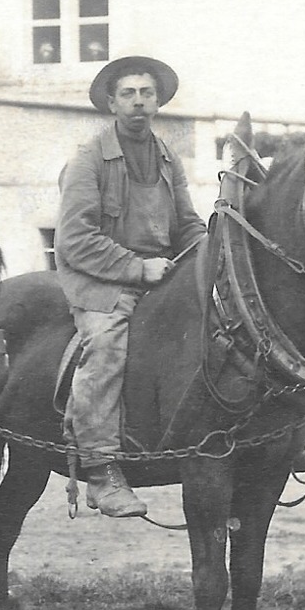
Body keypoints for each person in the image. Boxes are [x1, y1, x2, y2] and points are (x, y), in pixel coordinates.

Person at [55, 55, 206, 517]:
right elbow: (75, 239)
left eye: (146, 93)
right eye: (128, 94)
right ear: (111, 103)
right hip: (100, 280)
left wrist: (208, 248)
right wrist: (137, 269)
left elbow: (185, 221)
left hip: (161, 274)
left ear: (158, 101)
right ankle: (101, 471)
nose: (138, 102)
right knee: (105, 346)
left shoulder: (166, 156)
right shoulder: (88, 160)